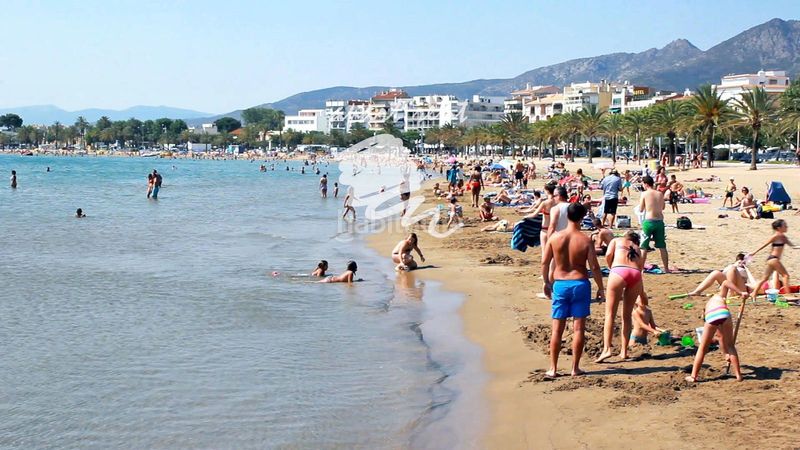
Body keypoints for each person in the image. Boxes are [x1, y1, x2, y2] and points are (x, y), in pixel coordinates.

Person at [541, 202, 605, 378]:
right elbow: (595, 267)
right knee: (578, 329)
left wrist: (546, 282)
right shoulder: (585, 239)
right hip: (580, 283)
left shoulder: (555, 237)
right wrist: (601, 288)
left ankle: (553, 368)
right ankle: (575, 368)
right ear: (582, 217)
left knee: (557, 329)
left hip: (560, 284)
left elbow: (545, 262)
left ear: (567, 216)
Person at [596, 230, 645, 362]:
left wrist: (611, 267)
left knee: (610, 314)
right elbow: (640, 267)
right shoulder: (637, 248)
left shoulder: (616, 240)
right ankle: (624, 351)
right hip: (635, 274)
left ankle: (607, 349)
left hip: (619, 270)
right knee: (627, 316)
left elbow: (608, 255)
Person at [685, 294, 743, 383]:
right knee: (731, 346)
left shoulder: (708, 307)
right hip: (724, 313)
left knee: (702, 348)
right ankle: (738, 375)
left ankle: (693, 376)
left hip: (712, 315)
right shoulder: (719, 298)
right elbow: (720, 336)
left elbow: (719, 335)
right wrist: (726, 354)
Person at [749, 219, 797, 299]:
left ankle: (754, 293)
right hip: (774, 259)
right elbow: (765, 244)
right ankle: (788, 295)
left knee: (764, 278)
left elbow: (793, 246)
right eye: (784, 226)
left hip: (771, 260)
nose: (786, 227)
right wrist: (754, 252)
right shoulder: (776, 236)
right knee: (785, 275)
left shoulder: (783, 237)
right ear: (779, 228)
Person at [639, 175, 670, 273]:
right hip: (659, 221)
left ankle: (641, 269)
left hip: (649, 221)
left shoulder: (644, 194)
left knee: (643, 246)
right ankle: (666, 268)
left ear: (646, 184)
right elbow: (663, 207)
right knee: (662, 247)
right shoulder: (660, 193)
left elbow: (641, 209)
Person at [686, 253, 751, 297]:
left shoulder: (744, 269)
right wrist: (735, 265)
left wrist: (740, 266)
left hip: (740, 289)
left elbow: (744, 276)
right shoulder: (732, 266)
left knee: (732, 269)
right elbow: (725, 273)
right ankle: (697, 291)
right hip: (730, 284)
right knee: (716, 272)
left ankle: (730, 292)